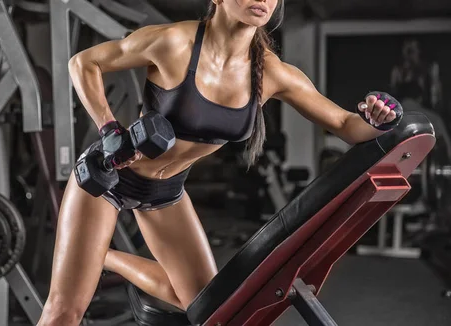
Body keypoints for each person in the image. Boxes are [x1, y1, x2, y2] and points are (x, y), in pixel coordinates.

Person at [37, 0, 401, 325]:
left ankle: (103, 258)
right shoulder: (174, 43)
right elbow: (84, 62)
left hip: (165, 191)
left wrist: (378, 117)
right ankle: (90, 259)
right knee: (63, 313)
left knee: (206, 305)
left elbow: (344, 125)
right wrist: (109, 128)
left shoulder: (271, 73)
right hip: (109, 178)